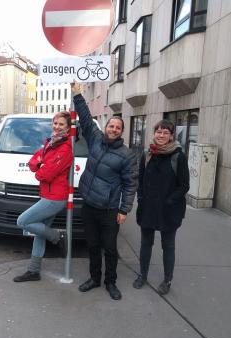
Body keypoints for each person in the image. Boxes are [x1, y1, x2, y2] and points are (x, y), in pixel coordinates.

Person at [71, 82, 137, 300]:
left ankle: (111, 282)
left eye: (118, 128)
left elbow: (130, 184)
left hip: (109, 210)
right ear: (106, 127)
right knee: (92, 245)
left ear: (121, 132)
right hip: (89, 205)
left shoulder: (127, 155)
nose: (113, 129)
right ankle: (94, 278)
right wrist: (77, 94)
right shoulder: (95, 140)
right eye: (111, 126)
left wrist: (124, 210)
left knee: (109, 248)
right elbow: (86, 117)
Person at [13, 111, 73, 282]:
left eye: (61, 124)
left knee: (23, 221)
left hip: (55, 198)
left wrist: (41, 166)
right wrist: (40, 164)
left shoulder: (66, 148)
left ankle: (58, 236)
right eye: (55, 123)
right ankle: (34, 271)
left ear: (68, 128)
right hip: (47, 194)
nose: (57, 127)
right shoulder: (50, 143)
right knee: (40, 234)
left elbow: (44, 175)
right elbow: (33, 162)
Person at [133, 120, 190, 295]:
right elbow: (140, 180)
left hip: (169, 210)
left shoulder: (178, 156)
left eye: (166, 132)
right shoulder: (147, 153)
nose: (161, 135)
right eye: (158, 132)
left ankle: (167, 280)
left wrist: (169, 201)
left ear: (171, 136)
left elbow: (184, 185)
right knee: (146, 243)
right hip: (148, 207)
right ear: (154, 133)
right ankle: (143, 275)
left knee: (168, 245)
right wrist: (141, 198)